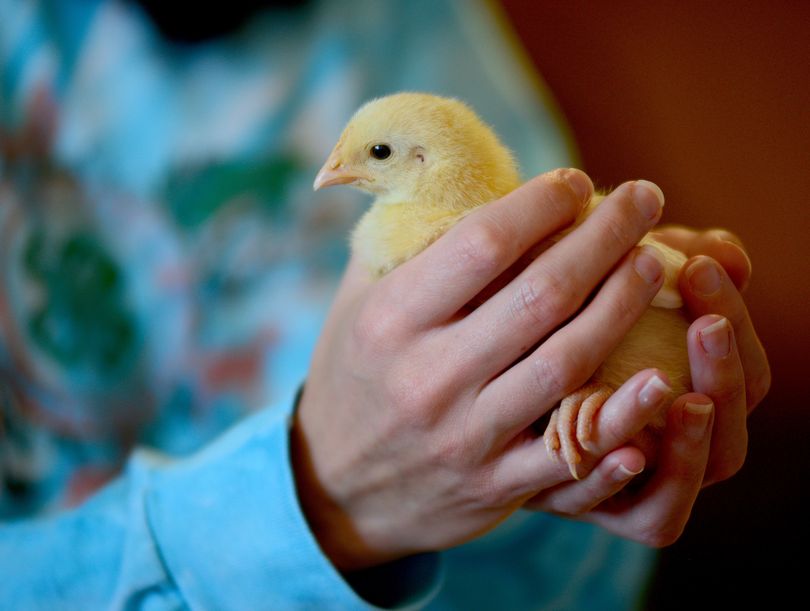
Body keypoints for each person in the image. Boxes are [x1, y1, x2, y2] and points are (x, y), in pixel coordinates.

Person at [0, 0, 769, 609]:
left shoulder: (404, 17)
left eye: (367, 156)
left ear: (424, 165)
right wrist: (314, 503)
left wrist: (548, 494)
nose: (338, 169)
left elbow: (567, 579)